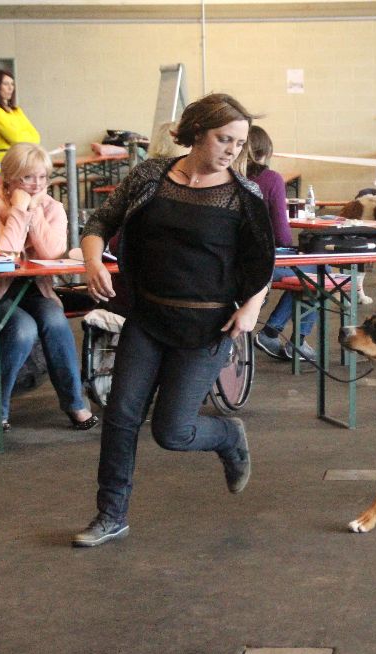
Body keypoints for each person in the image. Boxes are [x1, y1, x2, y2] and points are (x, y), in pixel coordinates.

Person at [73, 93, 274, 548]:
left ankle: (227, 436)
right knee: (121, 417)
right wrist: (93, 262)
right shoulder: (151, 176)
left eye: (239, 142)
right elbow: (100, 222)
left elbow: (262, 261)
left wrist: (251, 307)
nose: (232, 150)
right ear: (197, 132)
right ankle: (110, 515)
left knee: (173, 432)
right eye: (224, 139)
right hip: (147, 317)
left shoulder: (244, 195)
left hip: (207, 328)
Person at [0, 142, 98, 432]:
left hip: (33, 289)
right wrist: (19, 209)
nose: (37, 185)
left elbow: (51, 253)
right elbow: (4, 255)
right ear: (9, 178)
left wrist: (34, 212)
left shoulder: (52, 207)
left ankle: (74, 403)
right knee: (23, 328)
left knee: (55, 319)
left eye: (43, 177)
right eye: (28, 177)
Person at [246, 125, 318, 362]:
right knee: (318, 271)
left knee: (306, 274)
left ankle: (272, 332)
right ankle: (293, 339)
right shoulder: (271, 180)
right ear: (265, 150)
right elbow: (282, 234)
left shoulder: (225, 176)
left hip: (231, 259)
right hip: (260, 262)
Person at [0, 68, 40, 163]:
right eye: (5, 84)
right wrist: (25, 136)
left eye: (12, 84)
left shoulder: (17, 110)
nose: (10, 88)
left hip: (20, 159)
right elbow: (16, 138)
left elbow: (36, 136)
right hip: (3, 162)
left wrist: (23, 137)